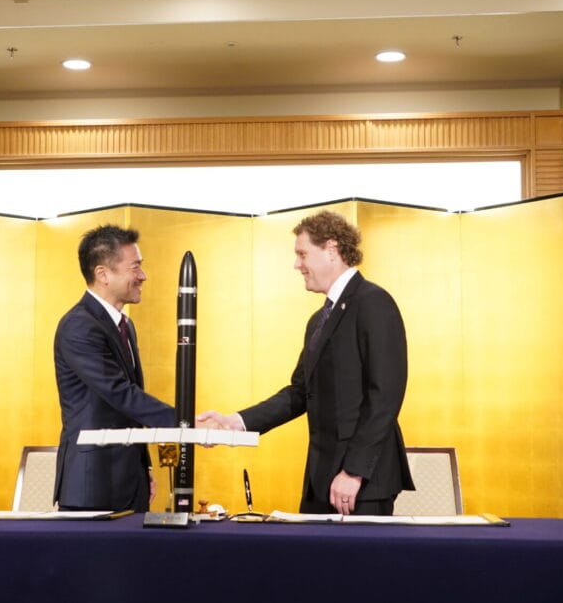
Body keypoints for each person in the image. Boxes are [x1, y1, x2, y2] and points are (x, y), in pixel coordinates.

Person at [197, 210, 413, 515]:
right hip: (320, 478)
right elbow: (299, 393)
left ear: (331, 249)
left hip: (361, 483)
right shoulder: (318, 320)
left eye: (302, 254)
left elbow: (385, 396)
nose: (297, 264)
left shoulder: (373, 302)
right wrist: (236, 422)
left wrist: (353, 472)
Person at [54, 225, 175, 512]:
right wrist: (184, 421)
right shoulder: (78, 326)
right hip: (93, 482)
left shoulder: (125, 325)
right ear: (103, 274)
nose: (143, 275)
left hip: (130, 480)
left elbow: (126, 409)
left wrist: (142, 467)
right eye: (135, 267)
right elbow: (120, 393)